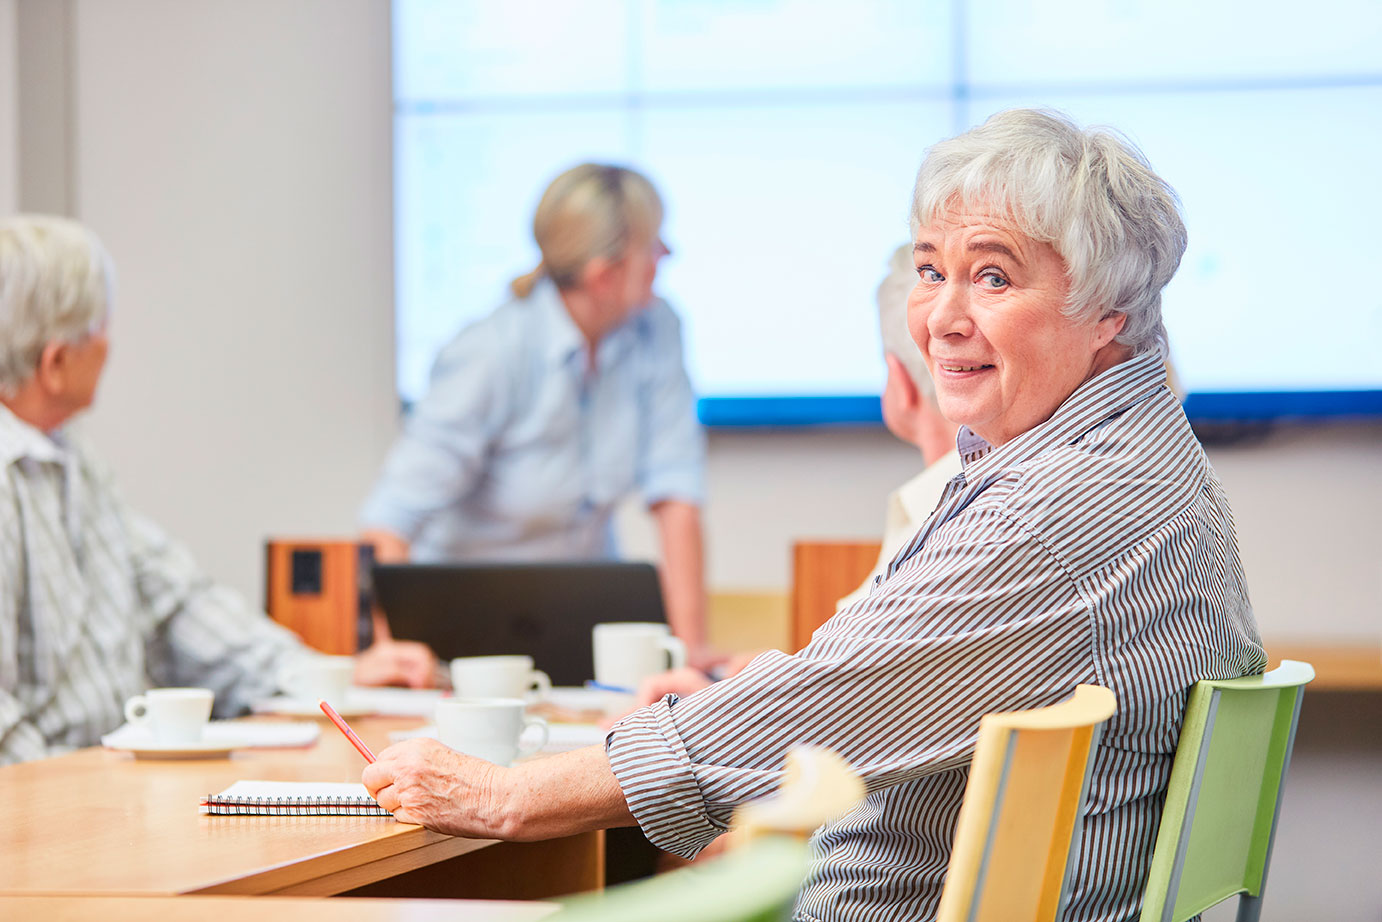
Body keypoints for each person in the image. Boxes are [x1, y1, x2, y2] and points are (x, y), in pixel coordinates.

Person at [362, 109, 1265, 922]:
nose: (940, 318)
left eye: (992, 278)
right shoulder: (1130, 457)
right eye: (929, 270)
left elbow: (812, 709)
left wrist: (505, 794)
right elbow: (857, 678)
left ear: (1108, 309)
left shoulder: (1057, 509)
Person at [0, 214, 435, 766]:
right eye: (99, 329)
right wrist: (71, 790)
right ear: (55, 363)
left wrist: (315, 678)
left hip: (107, 780)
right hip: (52, 801)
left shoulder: (72, 459)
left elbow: (178, 598)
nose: (109, 343)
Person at [358, 163, 709, 662]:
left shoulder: (657, 329)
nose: (667, 256)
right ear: (604, 275)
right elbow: (389, 520)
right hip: (468, 639)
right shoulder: (492, 351)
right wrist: (388, 649)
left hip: (584, 629)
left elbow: (677, 495)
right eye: (653, 246)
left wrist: (689, 655)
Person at [635, 243, 964, 705]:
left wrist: (713, 706)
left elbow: (855, 708)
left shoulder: (935, 522)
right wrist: (770, 679)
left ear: (899, 384)